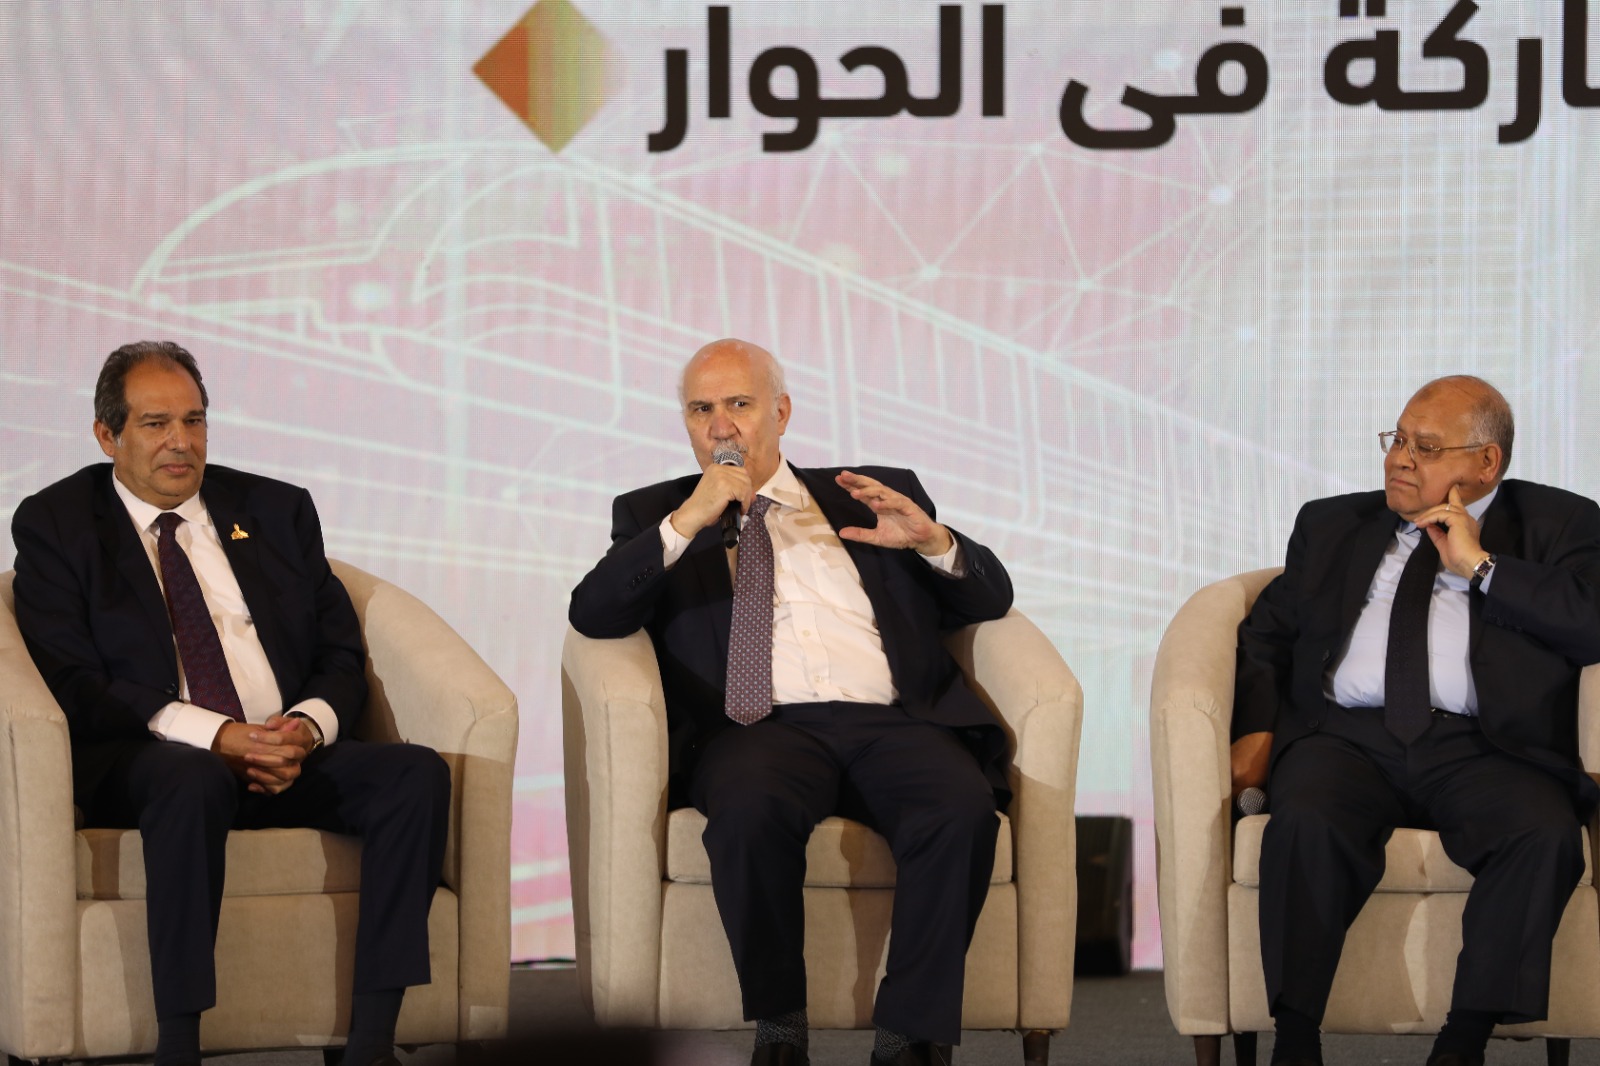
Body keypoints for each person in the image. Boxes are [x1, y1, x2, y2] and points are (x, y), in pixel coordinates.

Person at [569, 338, 1014, 1066]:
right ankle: (780, 1025)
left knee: (961, 809)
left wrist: (934, 542)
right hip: (758, 728)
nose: (720, 426)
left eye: (739, 405)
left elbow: (989, 600)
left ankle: (909, 1037)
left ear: (780, 412)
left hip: (894, 720)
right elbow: (593, 614)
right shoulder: (655, 512)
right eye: (701, 409)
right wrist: (688, 521)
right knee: (748, 811)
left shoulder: (868, 492)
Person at [11, 341, 451, 1066]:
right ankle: (179, 1044)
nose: (181, 442)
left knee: (416, 775)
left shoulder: (274, 510)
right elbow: (74, 680)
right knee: (191, 779)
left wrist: (304, 729)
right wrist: (217, 736)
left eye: (194, 420)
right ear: (107, 435)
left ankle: (371, 1040)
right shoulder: (58, 524)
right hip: (151, 759)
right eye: (155, 424)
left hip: (284, 752)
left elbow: (340, 653)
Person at [1232, 375, 1600, 1066]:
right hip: (1347, 740)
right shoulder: (1332, 524)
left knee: (1544, 835)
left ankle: (1463, 1042)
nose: (1399, 459)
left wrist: (1481, 566)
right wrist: (1254, 733)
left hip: (1485, 748)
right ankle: (1295, 1039)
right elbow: (1267, 633)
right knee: (1305, 822)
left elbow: (1591, 624)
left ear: (1486, 463)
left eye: (1425, 448)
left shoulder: (1560, 523)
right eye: (1397, 439)